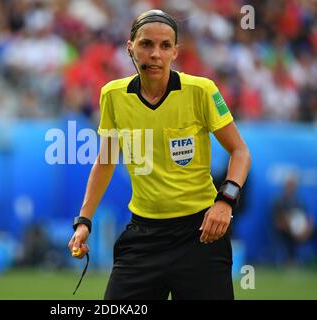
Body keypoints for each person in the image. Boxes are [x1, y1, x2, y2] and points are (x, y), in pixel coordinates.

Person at [68, 10, 251, 300]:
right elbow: (104, 162)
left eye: (165, 46)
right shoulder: (112, 95)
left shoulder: (201, 91)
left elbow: (240, 152)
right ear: (130, 47)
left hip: (201, 235)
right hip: (143, 237)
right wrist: (83, 221)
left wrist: (225, 202)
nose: (155, 54)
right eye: (146, 44)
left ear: (175, 52)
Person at [272, 174, 314, 264]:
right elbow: (277, 221)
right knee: (285, 235)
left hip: (300, 231)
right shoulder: (279, 201)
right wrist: (292, 229)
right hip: (285, 230)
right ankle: (290, 261)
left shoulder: (300, 201)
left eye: (293, 185)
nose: (291, 187)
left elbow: (307, 217)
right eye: (289, 184)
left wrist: (306, 230)